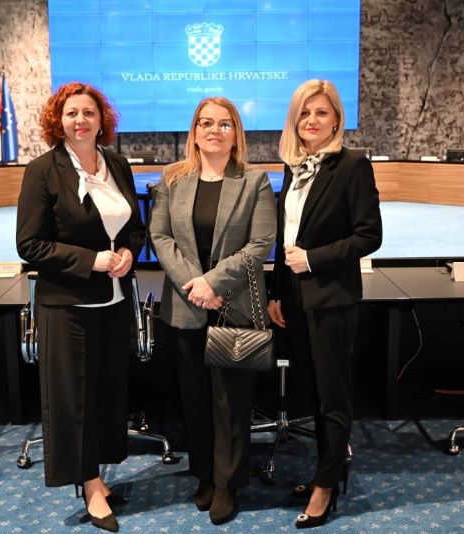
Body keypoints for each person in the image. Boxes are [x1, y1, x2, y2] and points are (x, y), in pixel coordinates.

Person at [16, 82, 144, 533]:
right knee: (75, 401)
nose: (81, 121)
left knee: (105, 394)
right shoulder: (42, 171)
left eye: (89, 112)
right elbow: (30, 244)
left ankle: (99, 476)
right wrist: (92, 260)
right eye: (72, 113)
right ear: (59, 120)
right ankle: (89, 485)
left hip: (114, 301)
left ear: (101, 119)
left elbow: (135, 227)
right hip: (67, 305)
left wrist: (128, 253)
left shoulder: (117, 164)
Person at [149, 96, 276, 525]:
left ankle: (227, 484)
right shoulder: (173, 178)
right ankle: (204, 474)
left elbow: (260, 244)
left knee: (231, 402)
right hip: (186, 308)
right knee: (195, 400)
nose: (214, 130)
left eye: (224, 123)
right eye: (206, 123)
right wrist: (195, 286)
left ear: (236, 133)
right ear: (195, 131)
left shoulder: (255, 181)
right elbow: (160, 237)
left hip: (233, 308)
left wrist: (213, 284)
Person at [267, 79, 383, 529]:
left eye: (321, 112)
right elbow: (286, 239)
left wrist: (313, 259)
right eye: (304, 113)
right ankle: (326, 470)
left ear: (336, 119)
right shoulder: (294, 168)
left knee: (333, 397)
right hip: (296, 300)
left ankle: (326, 485)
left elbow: (368, 236)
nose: (311, 120)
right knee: (314, 394)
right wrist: (278, 292)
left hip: (333, 298)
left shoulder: (353, 165)